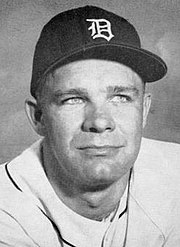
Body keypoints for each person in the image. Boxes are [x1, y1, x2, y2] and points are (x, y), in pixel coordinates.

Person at [0, 5, 180, 247]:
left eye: (120, 97)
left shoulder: (174, 173)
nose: (100, 122)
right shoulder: (6, 210)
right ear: (38, 117)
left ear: (144, 110)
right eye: (73, 99)